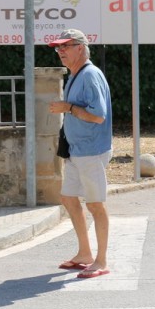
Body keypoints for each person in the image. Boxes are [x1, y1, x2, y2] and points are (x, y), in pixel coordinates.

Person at [48, 28, 113, 279]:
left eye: (66, 46)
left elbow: (98, 115)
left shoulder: (89, 75)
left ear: (80, 48)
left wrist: (68, 108)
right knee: (68, 198)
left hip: (90, 151)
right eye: (58, 48)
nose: (60, 51)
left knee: (96, 205)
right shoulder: (76, 74)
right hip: (77, 151)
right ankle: (85, 254)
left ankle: (101, 261)